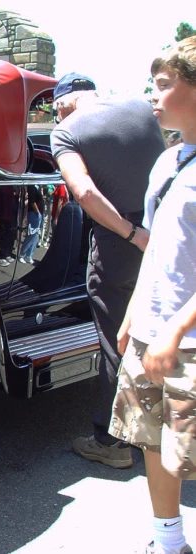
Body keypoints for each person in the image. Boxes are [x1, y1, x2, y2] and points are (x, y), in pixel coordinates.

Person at [50, 72, 165, 468]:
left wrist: (132, 234)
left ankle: (112, 443)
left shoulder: (66, 130)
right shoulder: (142, 107)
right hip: (169, 233)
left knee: (118, 338)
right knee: (166, 329)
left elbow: (83, 192)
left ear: (62, 104)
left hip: (122, 242)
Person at [108, 36, 196, 554]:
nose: (153, 97)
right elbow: (157, 246)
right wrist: (134, 312)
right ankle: (168, 541)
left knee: (190, 448)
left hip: (186, 339)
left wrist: (177, 330)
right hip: (150, 333)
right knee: (157, 441)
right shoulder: (166, 164)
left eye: (166, 85)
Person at [18, 185, 44, 264]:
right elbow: (32, 201)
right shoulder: (32, 186)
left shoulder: (38, 186)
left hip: (38, 213)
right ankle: (21, 254)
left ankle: (29, 255)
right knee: (31, 234)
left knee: (35, 235)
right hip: (34, 213)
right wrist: (37, 212)